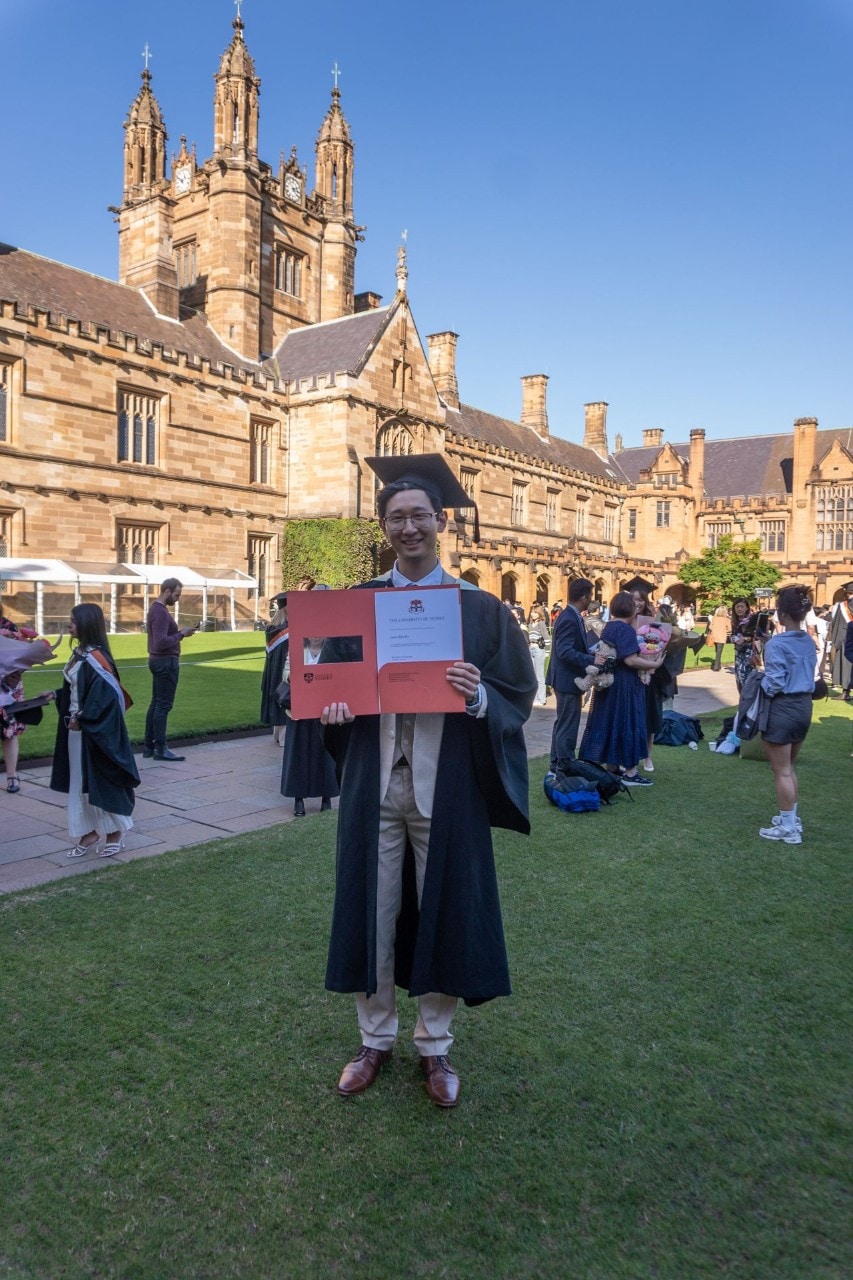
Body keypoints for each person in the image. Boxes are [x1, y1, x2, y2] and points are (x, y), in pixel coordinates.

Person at [320, 454, 535, 1108]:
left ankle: (434, 1048)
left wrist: (476, 699)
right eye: (395, 518)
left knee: (447, 910)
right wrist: (333, 709)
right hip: (376, 785)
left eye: (418, 515)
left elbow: (517, 695)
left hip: (447, 790)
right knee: (372, 913)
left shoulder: (482, 611)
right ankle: (373, 1039)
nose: (408, 527)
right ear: (383, 526)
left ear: (439, 522)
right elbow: (323, 686)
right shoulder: (357, 606)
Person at [49, 604, 139, 857]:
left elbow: (106, 699)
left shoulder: (97, 659)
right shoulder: (79, 654)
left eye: (73, 622)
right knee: (80, 783)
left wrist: (83, 717)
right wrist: (56, 695)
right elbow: (77, 690)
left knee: (104, 779)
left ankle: (115, 832)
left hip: (96, 732)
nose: (69, 625)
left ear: (87, 624)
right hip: (77, 730)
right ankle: (88, 832)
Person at [579, 591, 665, 786]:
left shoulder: (609, 627)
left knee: (612, 722)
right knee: (628, 722)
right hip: (625, 684)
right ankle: (631, 773)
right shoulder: (625, 630)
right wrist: (654, 665)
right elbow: (630, 659)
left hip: (609, 684)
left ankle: (612, 768)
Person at [754, 585, 817, 845]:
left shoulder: (778, 644)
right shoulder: (808, 641)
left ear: (781, 613)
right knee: (788, 769)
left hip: (783, 707)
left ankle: (788, 826)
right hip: (804, 706)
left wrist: (759, 674)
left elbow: (775, 682)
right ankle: (791, 817)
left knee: (781, 770)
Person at [547, 578, 602, 770]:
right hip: (567, 679)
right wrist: (591, 660)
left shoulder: (572, 615)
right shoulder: (569, 618)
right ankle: (565, 763)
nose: (591, 600)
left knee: (563, 722)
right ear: (584, 597)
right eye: (590, 596)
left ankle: (557, 763)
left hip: (566, 678)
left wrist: (589, 653)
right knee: (568, 725)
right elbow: (565, 651)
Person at [0, 611, 55, 794]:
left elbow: (20, 658)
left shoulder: (8, 627)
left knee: (9, 731)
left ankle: (11, 775)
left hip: (8, 686)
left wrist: (14, 675)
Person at [143, 578, 197, 762]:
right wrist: (181, 634)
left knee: (156, 703)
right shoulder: (160, 612)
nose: (178, 599)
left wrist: (180, 633)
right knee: (163, 705)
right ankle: (160, 748)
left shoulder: (158, 610)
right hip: (165, 662)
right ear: (167, 591)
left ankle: (149, 746)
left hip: (159, 661)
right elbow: (160, 643)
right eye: (176, 595)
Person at [260, 592, 289, 745]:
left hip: (273, 670)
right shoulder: (288, 630)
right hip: (284, 669)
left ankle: (277, 735)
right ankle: (284, 739)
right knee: (285, 698)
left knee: (277, 697)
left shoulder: (272, 627)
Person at [526, 603, 550, 707]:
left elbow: (547, 638)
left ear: (539, 613)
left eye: (536, 612)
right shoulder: (530, 625)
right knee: (533, 676)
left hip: (539, 650)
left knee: (540, 676)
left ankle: (541, 699)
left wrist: (547, 652)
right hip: (531, 649)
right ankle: (535, 698)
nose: (533, 614)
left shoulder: (541, 623)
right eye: (532, 612)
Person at [730, 597, 755, 692]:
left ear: (747, 608)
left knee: (747, 680)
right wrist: (733, 639)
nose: (739, 609)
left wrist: (745, 638)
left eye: (742, 607)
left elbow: (756, 636)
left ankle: (748, 703)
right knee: (739, 680)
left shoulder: (750, 621)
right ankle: (743, 702)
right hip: (738, 653)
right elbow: (733, 635)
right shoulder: (734, 622)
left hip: (748, 654)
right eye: (737, 607)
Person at [707, 605, 731, 672]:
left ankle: (718, 665)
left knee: (717, 651)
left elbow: (710, 627)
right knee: (719, 652)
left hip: (714, 636)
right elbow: (729, 629)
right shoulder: (727, 619)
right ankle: (716, 666)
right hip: (722, 637)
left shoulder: (714, 618)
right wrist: (724, 630)